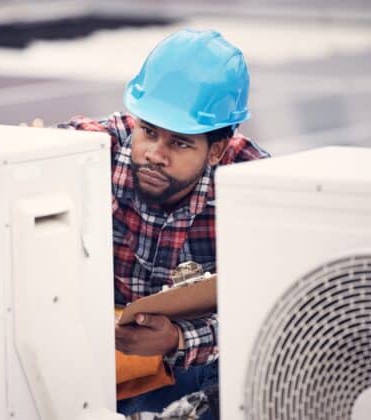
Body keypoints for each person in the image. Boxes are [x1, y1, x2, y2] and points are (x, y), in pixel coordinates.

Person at [57, 29, 270, 419]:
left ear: (217, 150)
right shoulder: (98, 147)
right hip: (97, 358)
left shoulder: (255, 184)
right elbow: (49, 149)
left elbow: (270, 308)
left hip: (193, 366)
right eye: (149, 132)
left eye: (179, 142)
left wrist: (178, 338)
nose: (154, 154)